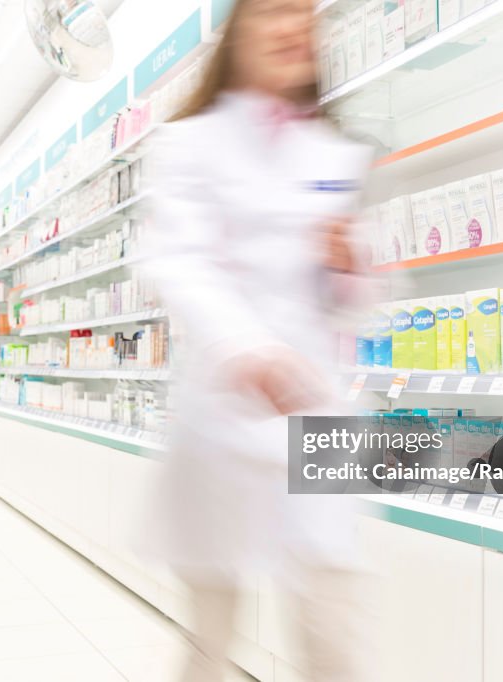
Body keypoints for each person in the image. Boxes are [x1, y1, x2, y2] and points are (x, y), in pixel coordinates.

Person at [141, 0, 380, 679]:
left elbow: (354, 301)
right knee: (210, 633)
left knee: (333, 625)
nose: (293, 28)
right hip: (226, 413)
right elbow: (177, 263)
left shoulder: (334, 150)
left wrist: (348, 268)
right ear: (238, 34)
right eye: (276, 11)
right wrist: (249, 350)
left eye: (306, 16)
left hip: (315, 416)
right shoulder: (188, 144)